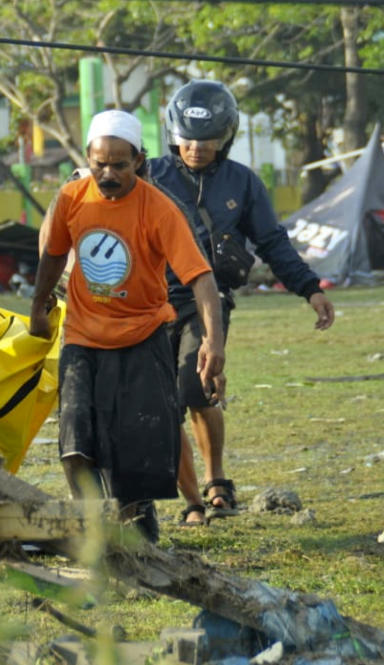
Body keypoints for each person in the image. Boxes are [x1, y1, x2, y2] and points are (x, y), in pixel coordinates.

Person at [29, 109, 226, 542]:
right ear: (88, 157)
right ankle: (94, 533)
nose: (109, 173)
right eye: (100, 163)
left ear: (139, 160)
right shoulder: (71, 198)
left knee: (136, 449)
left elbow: (200, 275)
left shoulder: (158, 208)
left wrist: (214, 340)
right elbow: (53, 256)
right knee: (75, 444)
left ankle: (139, 529)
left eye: (120, 164)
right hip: (82, 336)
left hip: (142, 337)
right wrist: (38, 307)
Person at [149, 80, 335, 525]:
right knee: (162, 402)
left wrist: (310, 289)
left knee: (195, 388)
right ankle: (192, 501)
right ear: (174, 135)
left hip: (205, 302)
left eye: (207, 141)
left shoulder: (243, 182)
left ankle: (217, 481)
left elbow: (272, 242)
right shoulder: (148, 175)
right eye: (188, 140)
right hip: (150, 303)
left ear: (225, 138)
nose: (195, 149)